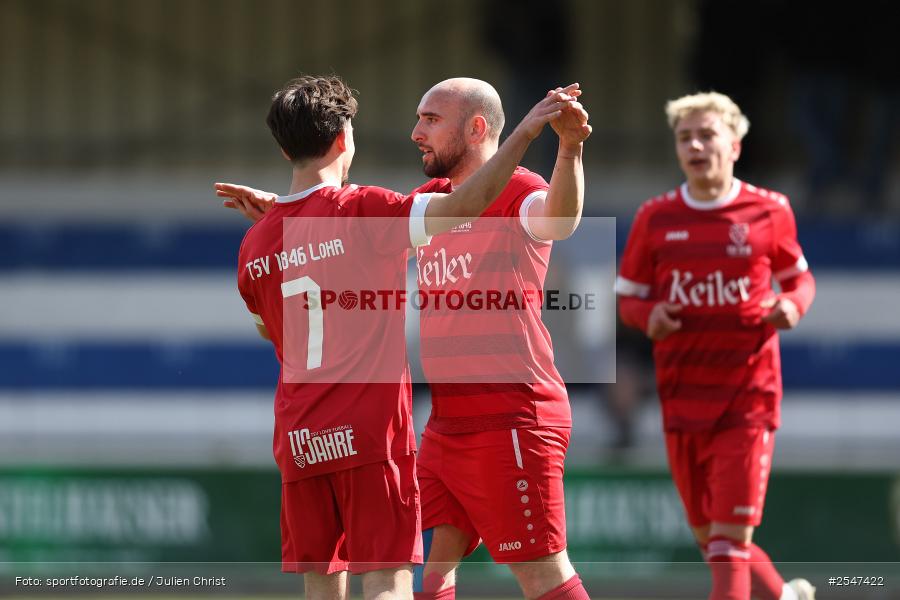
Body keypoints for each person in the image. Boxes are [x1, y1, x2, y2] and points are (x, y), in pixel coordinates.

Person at [220, 77, 593, 600]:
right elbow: (346, 232)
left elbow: (559, 220)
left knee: (540, 573)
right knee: (430, 575)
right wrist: (291, 212)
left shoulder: (520, 188)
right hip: (444, 424)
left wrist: (569, 148)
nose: (415, 132)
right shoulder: (424, 199)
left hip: (510, 411)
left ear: (477, 127)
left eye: (431, 120)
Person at [615, 92, 817, 600]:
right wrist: (649, 315)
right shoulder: (655, 217)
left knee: (729, 542)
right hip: (682, 396)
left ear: (735, 145)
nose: (695, 145)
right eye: (685, 137)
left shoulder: (770, 210)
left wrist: (792, 306)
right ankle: (787, 596)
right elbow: (627, 300)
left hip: (748, 395)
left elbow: (800, 280)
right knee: (714, 540)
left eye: (707, 135)